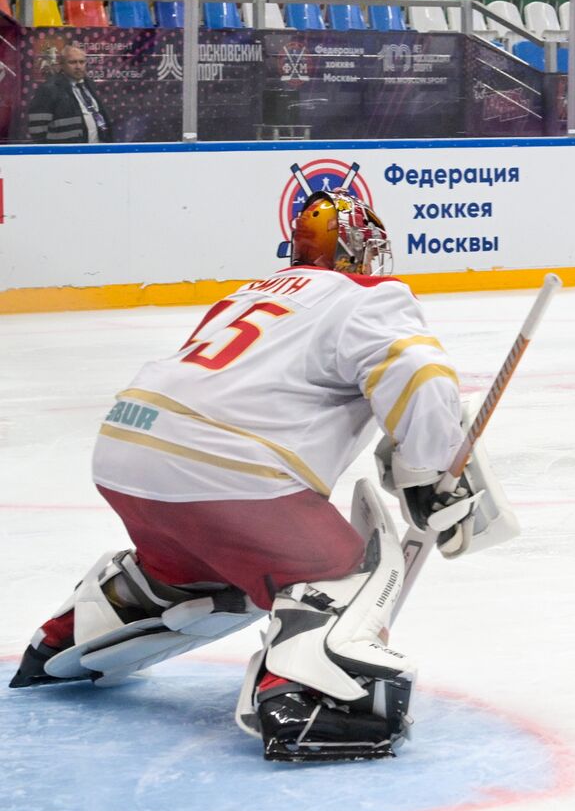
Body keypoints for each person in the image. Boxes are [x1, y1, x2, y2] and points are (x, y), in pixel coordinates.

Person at [9, 190, 518, 762]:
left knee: (211, 570)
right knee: (349, 570)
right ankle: (314, 696)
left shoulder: (250, 293)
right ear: (354, 251)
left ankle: (93, 621)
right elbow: (419, 373)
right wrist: (429, 471)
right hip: (221, 467)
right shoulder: (368, 297)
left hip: (127, 445)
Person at [26, 44, 112, 144]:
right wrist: (49, 154)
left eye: (82, 62)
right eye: (72, 62)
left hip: (96, 151)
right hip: (64, 155)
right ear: (61, 65)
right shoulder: (49, 89)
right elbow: (37, 129)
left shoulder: (89, 85)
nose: (78, 66)